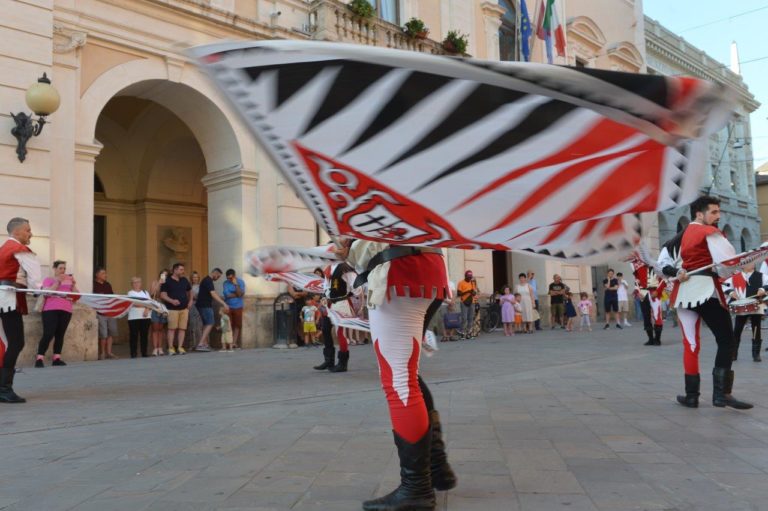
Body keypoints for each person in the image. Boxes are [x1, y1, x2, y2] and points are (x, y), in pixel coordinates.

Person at [335, 240, 456, 511]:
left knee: (399, 380)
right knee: (406, 375)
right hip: (426, 266)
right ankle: (435, 467)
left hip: (398, 270)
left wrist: (347, 249)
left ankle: (416, 488)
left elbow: (369, 237)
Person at [660, 195, 752, 409]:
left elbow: (662, 263)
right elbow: (728, 263)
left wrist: (676, 272)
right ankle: (722, 394)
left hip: (684, 294)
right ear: (699, 214)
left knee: (691, 345)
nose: (718, 216)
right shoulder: (710, 232)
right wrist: (734, 266)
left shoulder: (677, 238)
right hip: (705, 291)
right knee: (727, 340)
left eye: (719, 211)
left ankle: (691, 396)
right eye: (714, 212)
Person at [0, 217, 41, 403]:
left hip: (3, 297)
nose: (30, 234)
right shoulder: (20, 250)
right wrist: (39, 290)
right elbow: (35, 279)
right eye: (28, 230)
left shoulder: (2, 249)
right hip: (8, 300)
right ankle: (4, 388)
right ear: (16, 232)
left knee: (5, 342)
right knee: (16, 342)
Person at [36, 260, 77, 367]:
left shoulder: (68, 281)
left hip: (66, 309)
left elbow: (77, 295)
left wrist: (73, 285)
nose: (63, 270)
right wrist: (58, 282)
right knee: (48, 334)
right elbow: (47, 292)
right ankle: (39, 358)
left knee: (60, 334)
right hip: (50, 309)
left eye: (64, 268)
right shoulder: (48, 279)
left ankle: (56, 358)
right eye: (60, 268)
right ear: (54, 269)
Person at [724, 262, 767, 362]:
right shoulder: (735, 277)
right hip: (741, 307)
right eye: (748, 263)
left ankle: (756, 354)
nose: (752, 264)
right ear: (742, 265)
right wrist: (731, 292)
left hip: (757, 305)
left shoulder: (761, 276)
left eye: (752, 263)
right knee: (737, 330)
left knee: (756, 329)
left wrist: (763, 289)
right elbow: (724, 285)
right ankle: (733, 353)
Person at [160, 263, 192, 355]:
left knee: (182, 329)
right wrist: (172, 301)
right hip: (172, 309)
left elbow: (190, 291)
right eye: (181, 269)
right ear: (175, 270)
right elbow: (163, 295)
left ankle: (180, 347)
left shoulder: (184, 280)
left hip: (184, 309)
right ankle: (171, 348)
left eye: (183, 269)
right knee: (171, 329)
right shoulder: (167, 281)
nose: (183, 271)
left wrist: (190, 301)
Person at [195, 268, 228, 351]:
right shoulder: (208, 281)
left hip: (202, 305)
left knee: (206, 324)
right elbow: (213, 293)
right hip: (205, 305)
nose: (218, 278)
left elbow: (213, 293)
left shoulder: (207, 280)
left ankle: (205, 344)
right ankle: (200, 344)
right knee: (210, 323)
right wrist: (223, 303)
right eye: (218, 276)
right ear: (215, 273)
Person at [93, 267, 119, 360]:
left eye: (105, 273)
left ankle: (109, 352)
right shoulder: (93, 285)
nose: (105, 275)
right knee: (103, 334)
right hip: (100, 312)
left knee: (111, 332)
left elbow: (111, 296)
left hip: (110, 312)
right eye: (103, 273)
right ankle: (102, 353)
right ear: (97, 275)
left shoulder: (108, 284)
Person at [126, 276, 151, 358]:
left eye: (138, 282)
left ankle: (144, 352)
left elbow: (150, 303)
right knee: (134, 335)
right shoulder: (130, 293)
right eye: (134, 282)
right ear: (132, 284)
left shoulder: (145, 293)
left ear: (141, 283)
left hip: (146, 317)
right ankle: (133, 353)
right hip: (134, 317)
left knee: (144, 335)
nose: (137, 284)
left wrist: (147, 309)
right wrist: (145, 305)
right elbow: (134, 303)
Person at [222, 269, 245, 349]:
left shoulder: (240, 282)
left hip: (238, 306)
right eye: (228, 278)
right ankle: (228, 342)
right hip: (228, 306)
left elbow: (240, 294)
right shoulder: (225, 283)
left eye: (231, 278)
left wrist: (236, 285)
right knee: (228, 325)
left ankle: (234, 343)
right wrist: (237, 294)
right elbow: (227, 295)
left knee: (237, 325)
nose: (229, 280)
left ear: (234, 276)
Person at [149, 269, 169, 356]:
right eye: (162, 274)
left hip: (164, 306)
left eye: (166, 275)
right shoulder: (155, 282)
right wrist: (159, 284)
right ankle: (155, 348)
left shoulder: (168, 284)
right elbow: (151, 294)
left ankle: (160, 347)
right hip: (155, 306)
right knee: (155, 328)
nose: (164, 276)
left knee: (161, 328)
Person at [456, 270, 477, 339]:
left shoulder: (472, 283)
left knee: (471, 318)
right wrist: (467, 291)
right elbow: (458, 294)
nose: (470, 278)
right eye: (468, 277)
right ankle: (462, 332)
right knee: (464, 318)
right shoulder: (461, 283)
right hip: (464, 302)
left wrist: (473, 293)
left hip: (472, 302)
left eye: (470, 277)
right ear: (465, 276)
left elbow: (474, 292)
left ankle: (469, 333)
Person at [186, 271, 203, 351]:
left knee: (199, 325)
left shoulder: (201, 286)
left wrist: (195, 297)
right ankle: (192, 344)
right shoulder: (189, 287)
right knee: (192, 325)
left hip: (199, 306)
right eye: (193, 277)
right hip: (191, 306)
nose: (195, 279)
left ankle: (200, 343)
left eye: (196, 277)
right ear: (191, 278)